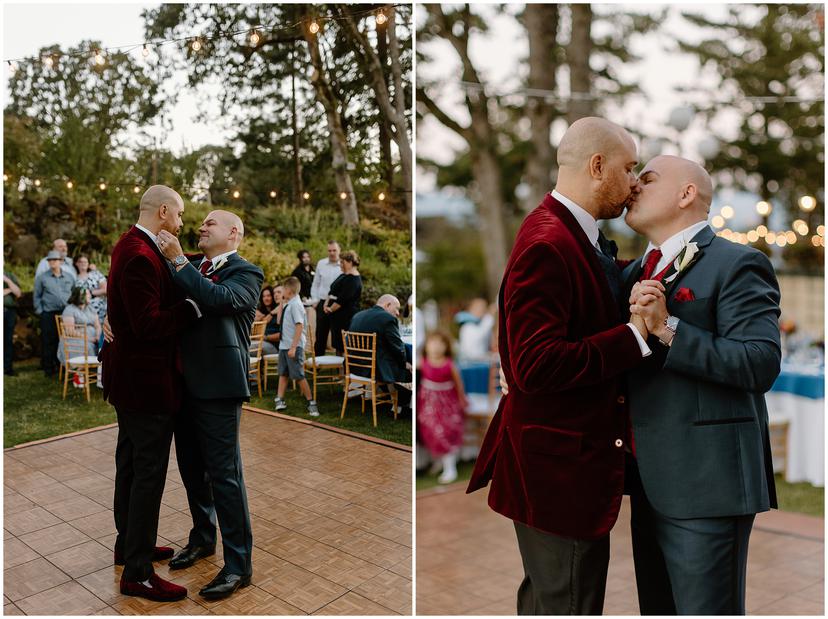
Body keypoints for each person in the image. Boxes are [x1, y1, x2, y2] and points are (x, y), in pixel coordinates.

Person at [466, 117, 651, 615]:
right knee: (565, 603)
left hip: (567, 466)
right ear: (597, 166)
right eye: (629, 167)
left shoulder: (573, 233)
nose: (635, 181)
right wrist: (634, 337)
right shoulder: (548, 242)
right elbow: (533, 365)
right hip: (558, 472)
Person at [620, 155, 781, 615]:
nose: (633, 186)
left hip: (709, 484)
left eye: (646, 178)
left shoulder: (739, 263)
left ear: (687, 193)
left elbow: (760, 363)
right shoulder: (633, 274)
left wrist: (669, 327)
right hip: (648, 480)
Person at [101, 185, 200, 602]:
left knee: (129, 463)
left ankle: (129, 544)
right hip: (146, 385)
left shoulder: (131, 245)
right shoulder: (140, 256)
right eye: (178, 216)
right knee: (147, 475)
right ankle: (138, 573)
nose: (181, 224)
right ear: (163, 212)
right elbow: (148, 324)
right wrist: (191, 308)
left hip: (128, 380)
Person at [157, 209, 263, 601]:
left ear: (233, 233)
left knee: (225, 477)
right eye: (199, 222)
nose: (201, 227)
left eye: (210, 223)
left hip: (219, 387)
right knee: (191, 470)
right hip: (181, 384)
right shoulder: (188, 267)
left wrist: (180, 261)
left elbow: (220, 300)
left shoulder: (246, 273)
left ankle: (239, 565)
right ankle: (203, 537)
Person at [348, 294, 413, 415]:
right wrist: (405, 363)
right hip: (375, 370)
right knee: (410, 366)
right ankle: (403, 405)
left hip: (355, 367)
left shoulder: (358, 315)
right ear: (387, 305)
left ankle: (393, 398)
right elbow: (398, 348)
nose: (398, 313)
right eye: (396, 309)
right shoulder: (387, 319)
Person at [417, 331, 468, 484]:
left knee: (445, 432)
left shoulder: (449, 364)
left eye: (440, 344)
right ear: (426, 346)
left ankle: (450, 467)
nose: (436, 347)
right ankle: (438, 462)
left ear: (446, 347)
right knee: (431, 432)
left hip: (447, 405)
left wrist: (462, 400)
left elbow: (459, 384)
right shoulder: (423, 361)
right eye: (432, 343)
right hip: (428, 405)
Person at [273, 276, 319, 416]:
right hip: (284, 346)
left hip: (293, 347)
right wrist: (281, 302)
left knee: (298, 375)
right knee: (283, 373)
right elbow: (279, 320)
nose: (281, 293)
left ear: (288, 290)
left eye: (282, 291)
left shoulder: (296, 305)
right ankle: (279, 399)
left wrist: (293, 347)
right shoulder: (289, 303)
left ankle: (311, 402)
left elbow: (299, 326)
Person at [33, 250, 76, 377]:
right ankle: (48, 368)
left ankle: (62, 366)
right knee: (48, 341)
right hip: (48, 313)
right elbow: (37, 296)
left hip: (66, 314)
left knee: (64, 340)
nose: (52, 262)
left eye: (55, 260)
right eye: (50, 260)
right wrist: (40, 312)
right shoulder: (42, 277)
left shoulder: (69, 276)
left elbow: (73, 293)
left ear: (60, 261)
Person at [57, 287, 101, 384]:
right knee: (88, 347)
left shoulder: (90, 308)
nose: (90, 296)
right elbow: (70, 331)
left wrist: (98, 335)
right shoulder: (69, 309)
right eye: (87, 294)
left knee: (104, 344)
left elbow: (97, 325)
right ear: (79, 297)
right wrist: (89, 339)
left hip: (93, 338)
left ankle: (104, 375)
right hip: (74, 339)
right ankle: (79, 373)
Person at [323, 250, 363, 356]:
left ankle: (345, 369)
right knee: (337, 344)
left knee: (344, 345)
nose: (340, 265)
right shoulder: (343, 276)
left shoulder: (353, 280)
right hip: (336, 317)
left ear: (350, 262)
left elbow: (343, 299)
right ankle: (339, 369)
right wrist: (326, 304)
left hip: (346, 317)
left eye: (342, 262)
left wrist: (331, 309)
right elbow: (332, 291)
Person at [310, 240, 342, 355]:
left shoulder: (344, 265)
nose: (332, 253)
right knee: (320, 334)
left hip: (338, 304)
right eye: (329, 250)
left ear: (339, 251)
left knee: (337, 334)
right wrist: (315, 300)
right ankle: (317, 363)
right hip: (322, 302)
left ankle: (339, 364)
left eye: (334, 250)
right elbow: (316, 283)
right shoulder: (321, 263)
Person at [74, 254, 107, 325]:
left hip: (101, 309)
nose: (83, 264)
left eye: (85, 262)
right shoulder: (75, 278)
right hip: (85, 312)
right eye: (80, 262)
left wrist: (91, 292)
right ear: (76, 263)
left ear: (88, 264)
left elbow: (105, 289)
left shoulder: (95, 274)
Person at [255, 285, 282, 356]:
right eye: (264, 296)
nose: (266, 298)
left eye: (268, 296)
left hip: (275, 346)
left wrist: (265, 337)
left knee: (249, 348)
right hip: (264, 343)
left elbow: (282, 334)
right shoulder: (262, 312)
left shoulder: (278, 310)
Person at [4, 272, 21, 376]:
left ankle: (7, 368)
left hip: (9, 312)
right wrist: (9, 290)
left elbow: (18, 293)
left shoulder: (10, 275)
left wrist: (7, 280)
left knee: (8, 340)